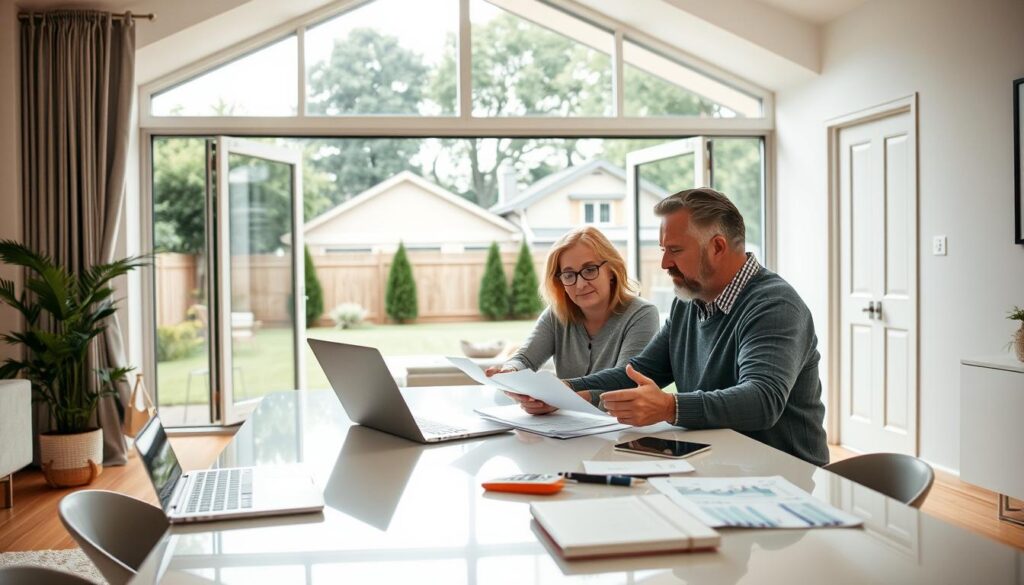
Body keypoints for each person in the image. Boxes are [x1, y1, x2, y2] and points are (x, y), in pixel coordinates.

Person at [516, 188, 828, 466]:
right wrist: (568, 390)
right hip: (716, 464)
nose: (664, 263)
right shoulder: (689, 302)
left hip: (783, 476)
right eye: (663, 249)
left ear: (717, 247)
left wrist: (670, 406)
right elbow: (640, 370)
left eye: (675, 250)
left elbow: (762, 400)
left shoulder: (775, 306)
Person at [485, 226, 660, 383]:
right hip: (567, 418)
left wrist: (559, 394)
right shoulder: (556, 314)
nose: (580, 284)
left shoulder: (642, 314)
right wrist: (510, 370)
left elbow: (625, 380)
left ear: (612, 271)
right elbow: (525, 359)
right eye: (569, 275)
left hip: (619, 419)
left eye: (590, 270)